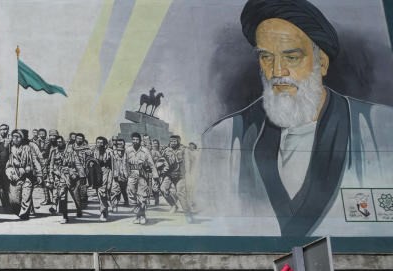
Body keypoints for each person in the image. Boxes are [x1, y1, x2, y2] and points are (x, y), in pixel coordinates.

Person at [200, 0, 393, 237]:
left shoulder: (381, 127)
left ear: (321, 63)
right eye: (266, 57)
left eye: (291, 57)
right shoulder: (223, 138)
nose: (277, 71)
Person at [6, 129, 42, 220]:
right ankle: (19, 211)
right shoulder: (10, 148)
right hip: (15, 176)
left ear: (21, 138)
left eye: (17, 137)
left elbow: (35, 161)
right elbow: (7, 164)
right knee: (14, 201)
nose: (15, 139)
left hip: (27, 176)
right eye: (13, 137)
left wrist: (39, 174)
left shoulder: (28, 148)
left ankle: (24, 214)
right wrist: (10, 173)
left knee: (26, 196)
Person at [126, 131, 158, 225]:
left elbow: (151, 164)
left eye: (137, 139)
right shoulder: (128, 150)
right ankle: (138, 213)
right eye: (134, 139)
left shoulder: (145, 151)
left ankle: (142, 216)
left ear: (140, 140)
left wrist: (155, 176)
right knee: (131, 194)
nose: (135, 141)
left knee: (142, 196)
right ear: (131, 140)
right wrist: (125, 174)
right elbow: (125, 163)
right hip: (132, 174)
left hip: (142, 175)